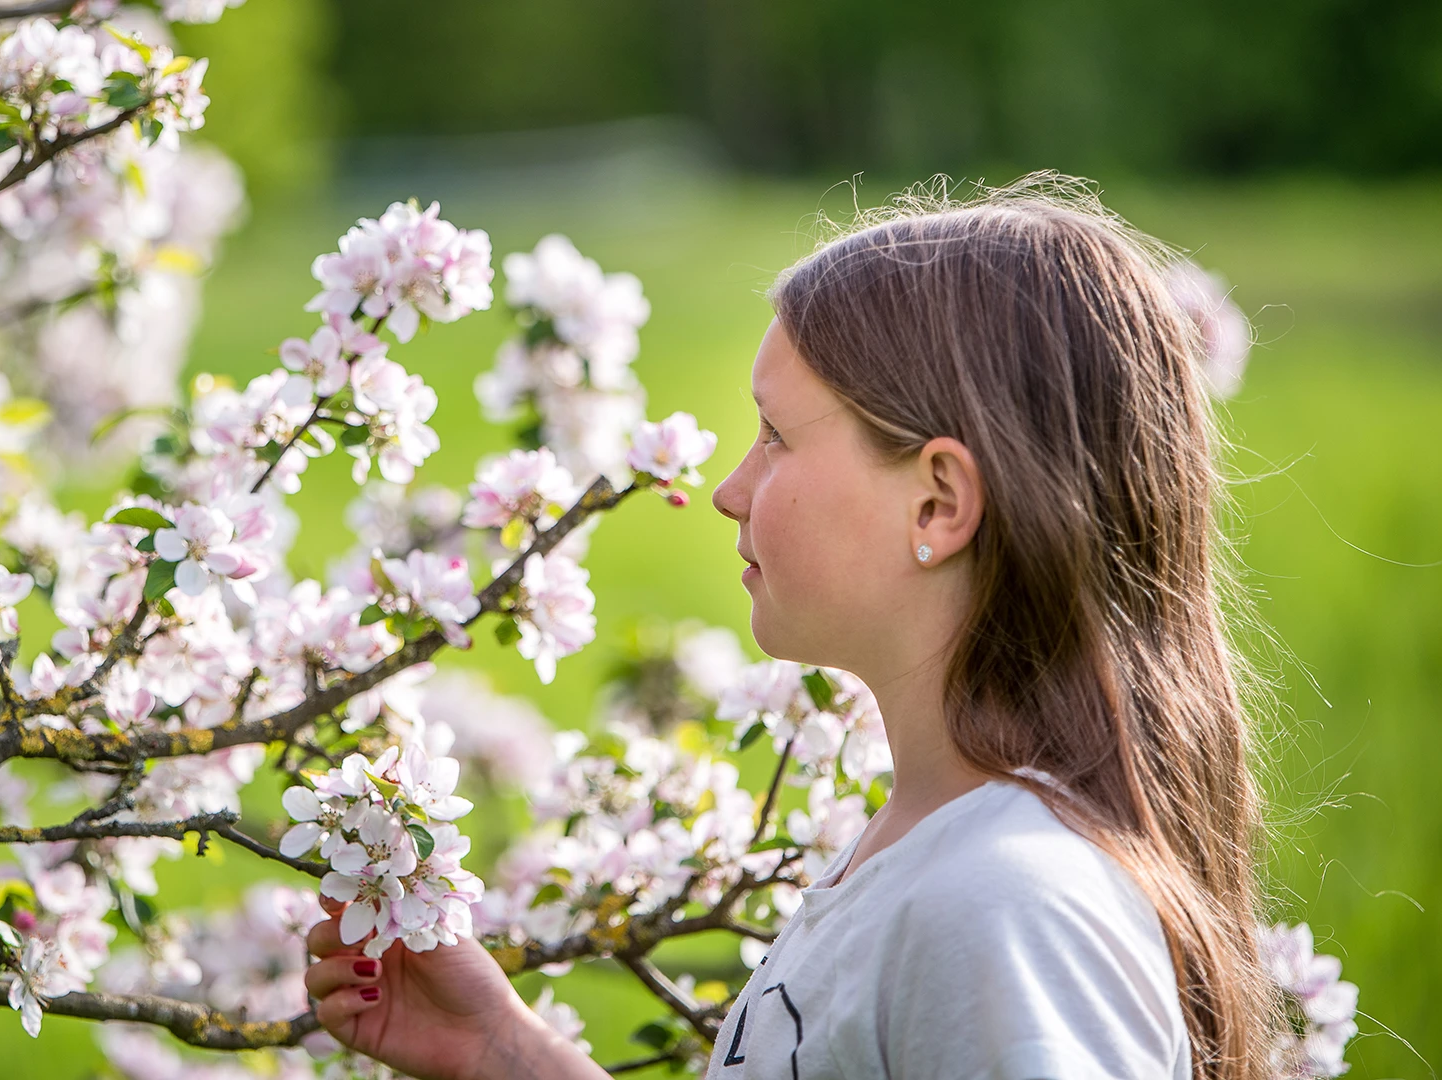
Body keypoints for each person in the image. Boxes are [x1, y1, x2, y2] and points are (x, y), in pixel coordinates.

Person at [301, 174, 1276, 1080]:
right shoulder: (931, 853)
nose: (728, 491)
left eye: (775, 436)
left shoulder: (1005, 908)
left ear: (937, 504)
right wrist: (507, 1051)